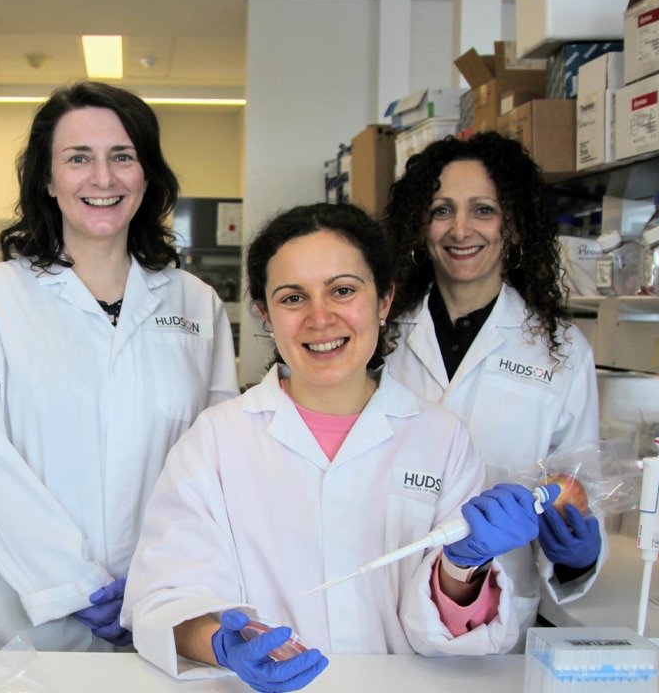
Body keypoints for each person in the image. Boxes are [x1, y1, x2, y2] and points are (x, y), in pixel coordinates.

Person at [124, 204, 546, 689]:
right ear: (264, 313)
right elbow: (166, 596)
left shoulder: (440, 438)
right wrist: (222, 643)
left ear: (384, 301)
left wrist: (462, 569)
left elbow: (453, 633)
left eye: (343, 290)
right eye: (292, 298)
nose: (320, 318)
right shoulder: (217, 439)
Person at [0, 81, 239, 652]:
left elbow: (218, 460)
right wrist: (72, 584)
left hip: (163, 604)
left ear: (145, 176)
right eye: (78, 158)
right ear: (48, 180)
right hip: (30, 614)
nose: (102, 178)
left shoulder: (196, 304)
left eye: (122, 157)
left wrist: (161, 579)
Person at [380, 132, 604, 637]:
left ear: (515, 224)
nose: (460, 229)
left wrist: (577, 554)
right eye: (442, 210)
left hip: (495, 610)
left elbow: (578, 487)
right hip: (381, 592)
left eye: (483, 210)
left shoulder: (561, 351)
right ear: (420, 225)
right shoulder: (378, 334)